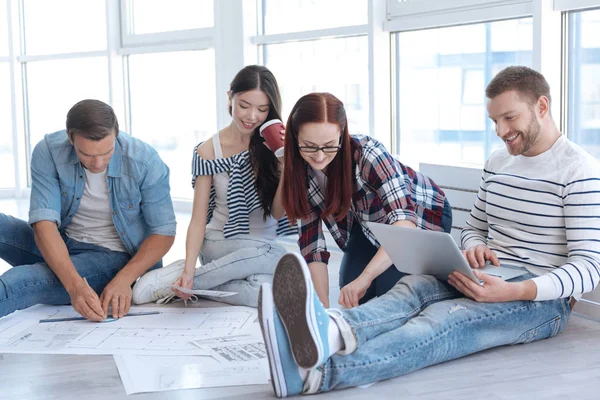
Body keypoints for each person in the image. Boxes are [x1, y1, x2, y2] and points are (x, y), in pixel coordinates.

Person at [257, 66, 600, 397]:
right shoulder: (499, 161)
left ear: (542, 106)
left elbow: (589, 267)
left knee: (439, 322)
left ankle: (316, 375)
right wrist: (476, 245)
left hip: (540, 299)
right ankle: (328, 329)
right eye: (495, 120)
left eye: (509, 118)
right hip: (486, 274)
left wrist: (516, 291)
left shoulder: (578, 170)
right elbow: (476, 226)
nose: (500, 130)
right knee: (411, 288)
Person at [132, 65, 295, 307]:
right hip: (220, 241)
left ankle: (184, 284)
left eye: (262, 109)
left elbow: (278, 213)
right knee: (281, 256)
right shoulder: (208, 150)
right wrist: (189, 266)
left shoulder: (276, 145)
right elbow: (198, 219)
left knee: (274, 291)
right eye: (244, 105)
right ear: (230, 96)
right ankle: (188, 278)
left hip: (262, 248)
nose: (252, 117)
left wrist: (285, 167)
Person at [0, 99, 176, 321]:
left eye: (107, 152)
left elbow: (164, 233)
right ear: (69, 137)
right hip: (62, 242)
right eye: (87, 154)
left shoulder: (145, 161)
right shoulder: (49, 151)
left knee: (21, 281)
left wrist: (125, 279)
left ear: (117, 134)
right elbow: (44, 225)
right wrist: (74, 286)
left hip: (114, 257)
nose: (98, 163)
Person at [280, 92, 451, 308]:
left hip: (421, 214)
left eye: (330, 144)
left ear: (342, 134)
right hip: (366, 224)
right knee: (351, 294)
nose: (320, 156)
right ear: (295, 138)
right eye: (310, 146)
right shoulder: (298, 172)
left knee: (394, 295)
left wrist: (366, 277)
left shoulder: (368, 153)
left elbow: (404, 224)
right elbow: (312, 247)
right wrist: (323, 310)